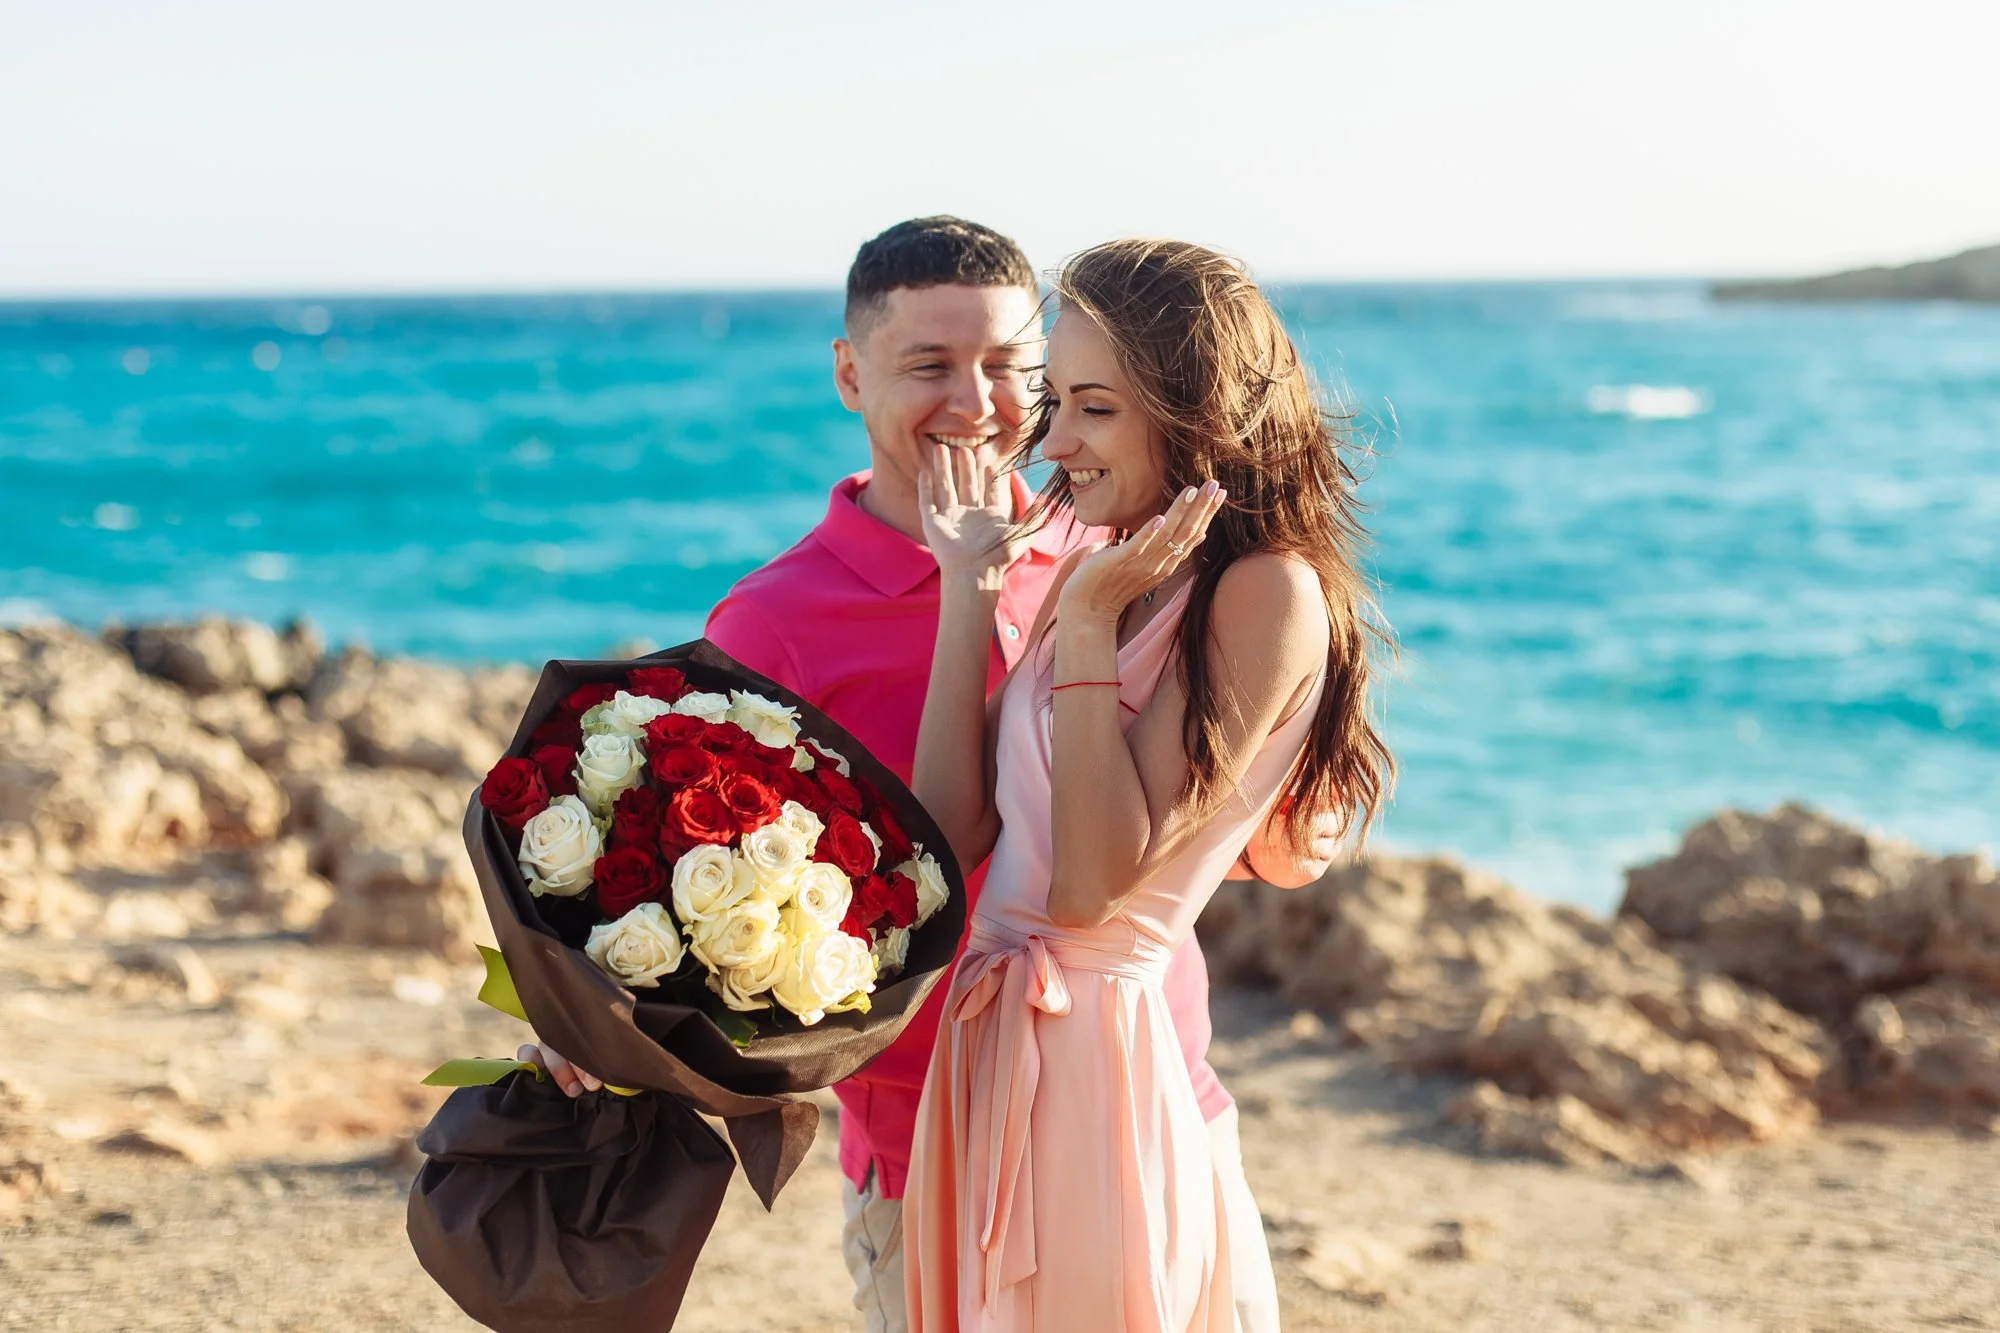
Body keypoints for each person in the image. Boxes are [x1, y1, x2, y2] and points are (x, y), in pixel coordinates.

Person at [525, 217, 1340, 1332]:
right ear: (850, 375)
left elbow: (1145, 861)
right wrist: (587, 1009)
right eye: (928, 366)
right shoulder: (784, 620)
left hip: (1119, 1078)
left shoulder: (1104, 558)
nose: (1006, 416)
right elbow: (931, 839)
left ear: (1188, 405)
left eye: (1029, 378)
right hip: (932, 1122)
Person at [901, 238, 1393, 1331]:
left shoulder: (1262, 594)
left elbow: (1087, 889)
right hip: (990, 1039)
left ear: (1193, 412)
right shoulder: (1105, 567)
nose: (1053, 441)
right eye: (1055, 402)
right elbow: (950, 828)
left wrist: (1078, 621)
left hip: (1092, 1063)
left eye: (1094, 408)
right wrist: (970, 585)